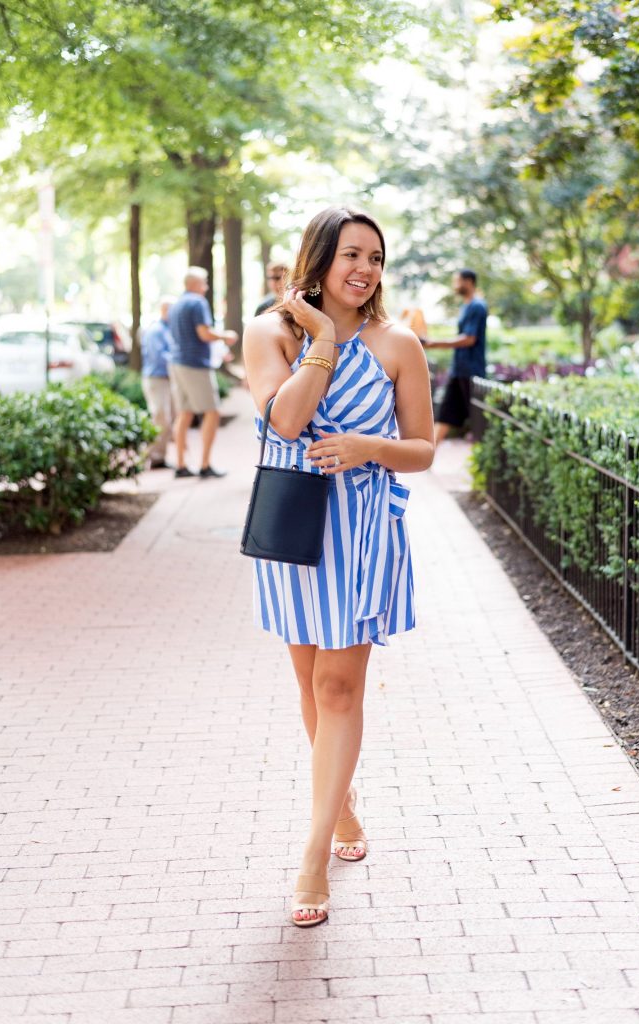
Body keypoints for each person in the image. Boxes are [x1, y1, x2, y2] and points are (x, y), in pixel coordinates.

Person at [242, 207, 434, 928]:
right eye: (351, 254)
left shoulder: (398, 343)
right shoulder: (272, 331)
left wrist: (367, 446)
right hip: (296, 523)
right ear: (319, 258)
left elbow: (421, 448)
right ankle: (344, 802)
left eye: (376, 258)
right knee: (307, 680)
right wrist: (321, 338)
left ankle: (313, 854)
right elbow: (285, 422)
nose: (365, 269)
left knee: (337, 686)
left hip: (361, 529)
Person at [168, 266, 238, 479]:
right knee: (212, 412)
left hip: (177, 363)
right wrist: (226, 337)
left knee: (185, 413)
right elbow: (204, 334)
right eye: (205, 282)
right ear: (196, 284)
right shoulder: (198, 302)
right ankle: (205, 465)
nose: (206, 287)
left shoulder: (176, 305)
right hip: (195, 364)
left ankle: (180, 464)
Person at [422, 269, 487, 445]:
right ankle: (428, 459)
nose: (454, 285)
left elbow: (469, 339)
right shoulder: (466, 306)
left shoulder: (477, 306)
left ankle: (485, 464)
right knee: (446, 414)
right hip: (459, 370)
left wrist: (434, 343)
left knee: (479, 421)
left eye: (457, 281)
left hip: (471, 372)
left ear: (468, 282)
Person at [141, 297, 175, 469]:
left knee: (165, 418)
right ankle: (153, 457)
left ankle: (158, 456)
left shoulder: (167, 329)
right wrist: (177, 361)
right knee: (160, 417)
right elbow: (159, 357)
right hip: (156, 378)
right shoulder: (156, 331)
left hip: (164, 378)